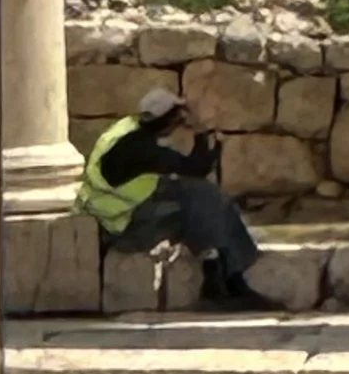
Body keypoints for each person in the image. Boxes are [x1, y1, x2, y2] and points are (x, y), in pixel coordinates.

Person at [77, 87, 270, 309]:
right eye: (177, 118)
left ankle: (219, 273)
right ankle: (227, 279)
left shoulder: (125, 134)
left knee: (200, 197)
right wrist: (201, 133)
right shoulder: (144, 150)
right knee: (203, 197)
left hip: (112, 215)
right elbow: (197, 168)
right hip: (123, 227)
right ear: (168, 120)